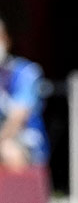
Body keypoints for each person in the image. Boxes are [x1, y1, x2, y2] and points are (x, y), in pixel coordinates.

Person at [0, 14, 48, 176]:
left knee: (8, 149)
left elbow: (17, 118)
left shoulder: (26, 72)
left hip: (24, 143)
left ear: (6, 40)